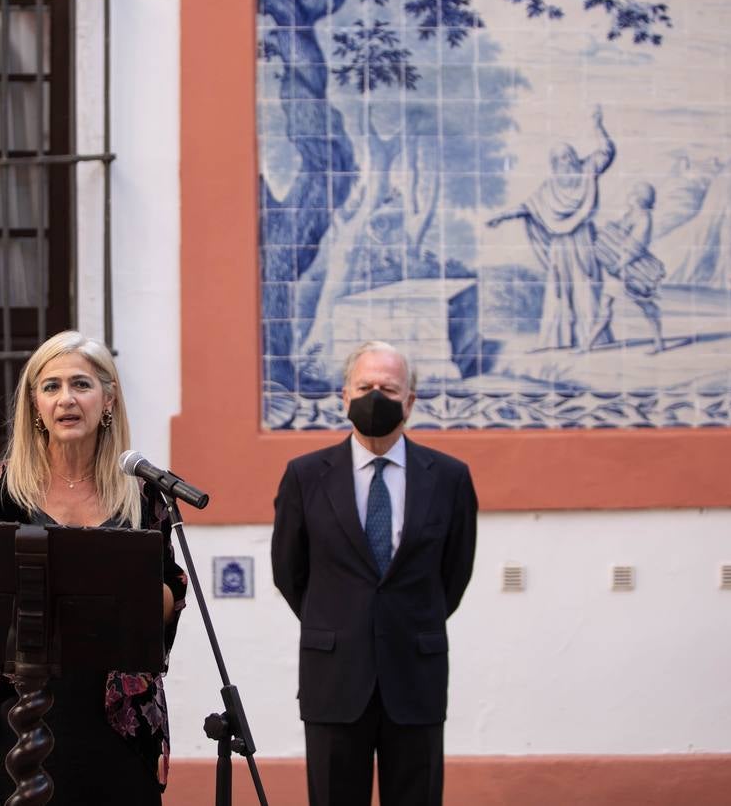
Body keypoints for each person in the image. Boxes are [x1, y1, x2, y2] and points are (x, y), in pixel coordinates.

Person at [0, 330, 187, 806]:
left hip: (115, 712)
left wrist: (126, 590)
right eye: (51, 386)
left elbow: (170, 594)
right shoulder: (0, 490)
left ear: (108, 398)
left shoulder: (141, 494)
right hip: (22, 710)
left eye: (81, 384)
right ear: (35, 404)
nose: (66, 399)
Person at [271, 341, 477, 806]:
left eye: (389, 388)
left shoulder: (449, 478)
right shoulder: (305, 476)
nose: (375, 397)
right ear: (344, 396)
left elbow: (455, 572)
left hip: (416, 675)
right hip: (334, 676)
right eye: (365, 386)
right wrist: (339, 621)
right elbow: (290, 571)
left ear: (410, 401)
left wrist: (408, 620)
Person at [487, 105, 616, 351]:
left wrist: (598, 127)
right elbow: (527, 207)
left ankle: (593, 338)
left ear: (574, 157)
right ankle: (559, 339)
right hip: (561, 245)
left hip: (582, 240)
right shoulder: (550, 187)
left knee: (587, 286)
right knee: (559, 289)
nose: (566, 161)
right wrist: (502, 216)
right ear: (554, 164)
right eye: (560, 159)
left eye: (568, 156)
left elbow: (606, 151)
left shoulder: (588, 170)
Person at [586, 181, 666, 354]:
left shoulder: (644, 218)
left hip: (633, 271)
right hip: (619, 270)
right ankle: (587, 345)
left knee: (647, 306)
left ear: (639, 198)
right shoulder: (632, 214)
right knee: (606, 304)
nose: (629, 195)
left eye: (632, 192)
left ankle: (659, 343)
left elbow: (635, 248)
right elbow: (617, 237)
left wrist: (617, 265)